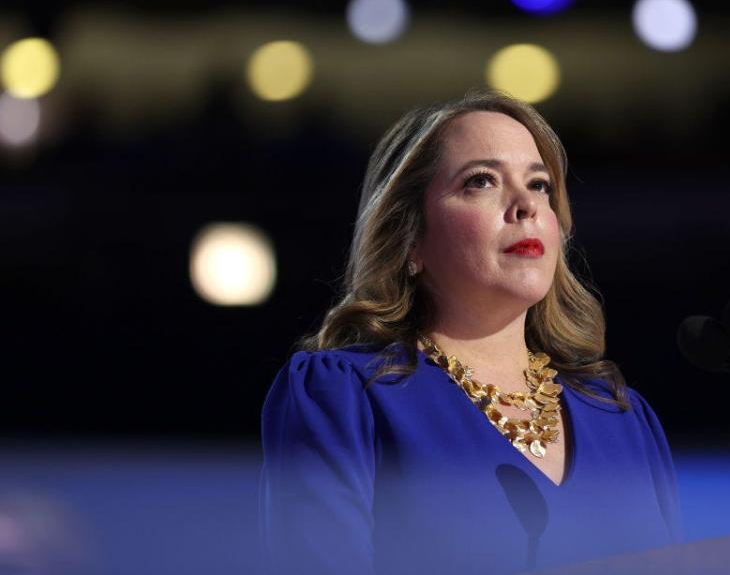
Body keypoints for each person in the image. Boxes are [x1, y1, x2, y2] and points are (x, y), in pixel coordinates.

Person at [259, 89, 682, 575]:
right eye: (481, 181)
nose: (525, 205)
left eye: (540, 185)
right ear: (410, 238)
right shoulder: (348, 398)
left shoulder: (623, 418)